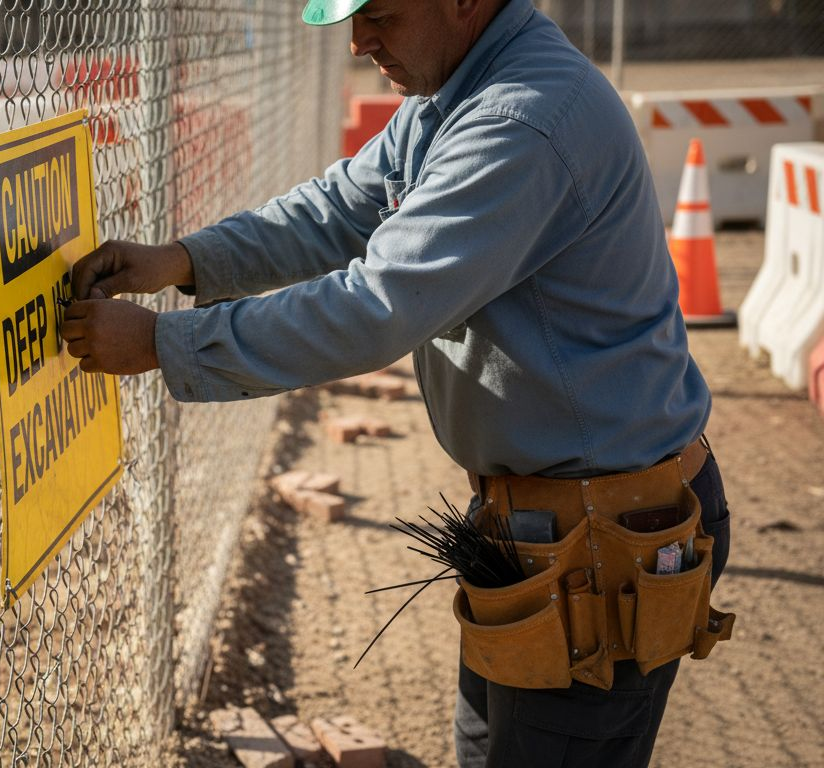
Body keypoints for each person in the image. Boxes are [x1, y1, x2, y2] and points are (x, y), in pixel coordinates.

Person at [57, 0, 733, 766]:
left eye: (381, 13)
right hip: (547, 527)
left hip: (606, 539)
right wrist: (185, 260)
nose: (358, 41)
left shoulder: (521, 121)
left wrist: (161, 343)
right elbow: (339, 208)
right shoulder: (457, 93)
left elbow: (376, 308)